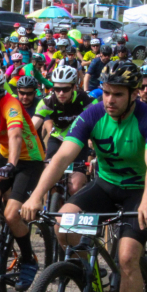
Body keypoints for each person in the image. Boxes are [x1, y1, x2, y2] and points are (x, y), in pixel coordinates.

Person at [22, 63, 147, 292]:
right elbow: (62, 156)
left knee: (127, 257)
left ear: (134, 95)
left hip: (139, 191)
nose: (110, 100)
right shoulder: (92, 114)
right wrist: (35, 195)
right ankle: (96, 276)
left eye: (117, 94)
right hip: (104, 185)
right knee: (63, 224)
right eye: (106, 94)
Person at [0, 69, 46, 291]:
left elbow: (15, 136)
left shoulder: (11, 104)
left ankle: (28, 259)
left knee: (11, 214)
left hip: (29, 161)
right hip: (6, 158)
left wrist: (11, 164)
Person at [34, 65, 96, 196]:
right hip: (57, 139)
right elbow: (32, 126)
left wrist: (92, 139)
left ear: (74, 87)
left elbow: (100, 122)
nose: (61, 93)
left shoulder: (86, 100)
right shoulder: (48, 102)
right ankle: (46, 209)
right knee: (48, 181)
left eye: (66, 89)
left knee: (75, 186)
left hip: (79, 141)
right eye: (57, 89)